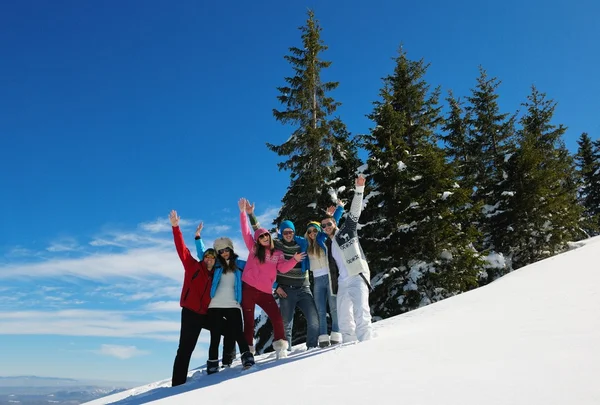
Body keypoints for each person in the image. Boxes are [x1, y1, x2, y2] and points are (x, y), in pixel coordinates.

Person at [238, 198, 306, 359]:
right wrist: (243, 213)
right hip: (248, 289)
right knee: (248, 322)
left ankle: (281, 347)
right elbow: (246, 231)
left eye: (267, 236)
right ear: (258, 240)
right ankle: (248, 352)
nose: (265, 239)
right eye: (262, 237)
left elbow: (282, 268)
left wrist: (294, 260)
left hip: (264, 292)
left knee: (277, 318)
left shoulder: (277, 254)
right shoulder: (253, 249)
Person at [193, 225, 254, 374]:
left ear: (231, 249)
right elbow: (202, 255)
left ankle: (246, 357)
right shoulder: (215, 264)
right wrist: (198, 238)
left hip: (233, 304)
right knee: (215, 336)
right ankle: (213, 362)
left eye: (226, 250)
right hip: (215, 305)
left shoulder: (240, 265)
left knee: (239, 333)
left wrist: (277, 284)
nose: (224, 253)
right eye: (220, 251)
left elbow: (256, 272)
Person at [321, 175, 373, 343]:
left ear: (334, 224)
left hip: (357, 275)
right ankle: (349, 345)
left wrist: (359, 189)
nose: (327, 227)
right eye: (324, 226)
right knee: (343, 316)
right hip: (343, 281)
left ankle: (367, 342)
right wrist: (332, 214)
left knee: (361, 311)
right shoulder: (329, 244)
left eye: (329, 224)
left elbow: (355, 211)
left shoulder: (347, 231)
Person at [169, 210, 214, 387]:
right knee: (185, 349)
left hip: (206, 314)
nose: (209, 260)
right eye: (207, 257)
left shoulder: (215, 276)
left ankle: (230, 361)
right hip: (190, 313)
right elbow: (182, 249)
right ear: (203, 258)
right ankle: (177, 385)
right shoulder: (193, 266)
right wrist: (175, 227)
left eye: (212, 258)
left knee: (229, 328)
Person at [304, 201, 344, 347]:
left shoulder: (322, 239)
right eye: (310, 232)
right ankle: (323, 337)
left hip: (328, 277)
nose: (312, 234)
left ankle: (335, 333)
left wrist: (339, 209)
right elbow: (292, 240)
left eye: (315, 230)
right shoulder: (305, 245)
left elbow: (333, 223)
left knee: (333, 307)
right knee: (320, 309)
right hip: (317, 280)